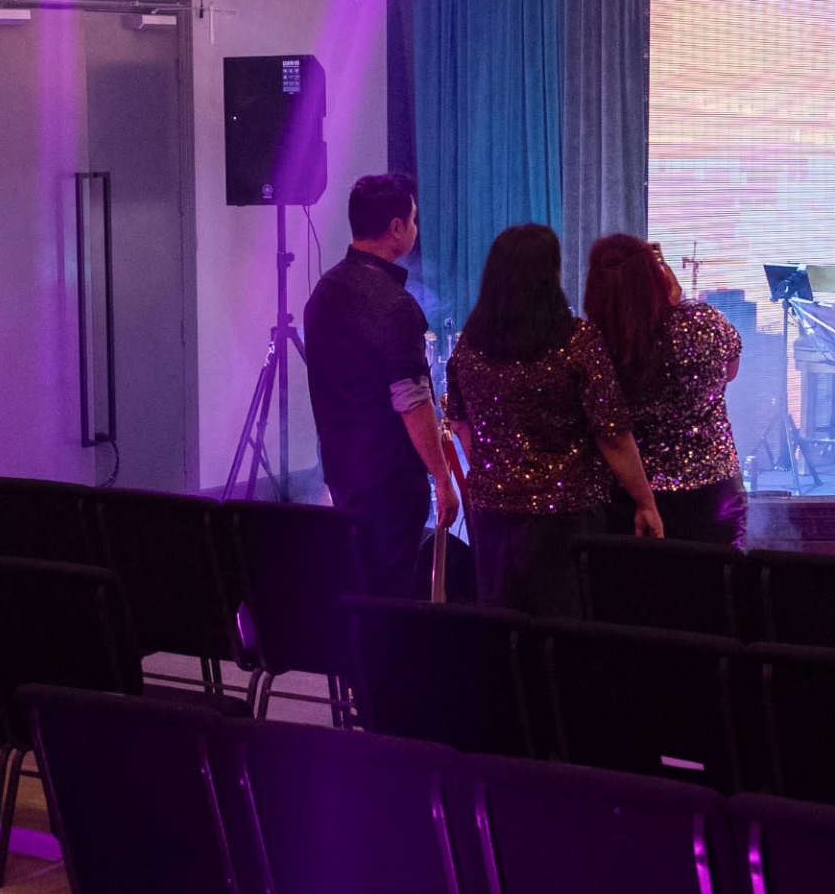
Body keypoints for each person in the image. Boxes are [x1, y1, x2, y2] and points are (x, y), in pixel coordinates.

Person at [445, 223, 661, 616]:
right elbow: (612, 435)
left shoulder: (469, 347)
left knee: (500, 628)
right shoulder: (578, 341)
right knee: (561, 634)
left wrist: (498, 471)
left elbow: (460, 424)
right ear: (550, 275)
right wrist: (645, 501)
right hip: (567, 518)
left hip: (492, 514)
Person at [301, 172, 463, 598]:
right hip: (390, 479)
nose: (415, 228)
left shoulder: (323, 292)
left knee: (360, 585)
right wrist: (442, 477)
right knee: (392, 594)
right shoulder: (394, 305)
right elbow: (411, 399)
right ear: (395, 228)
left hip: (342, 469)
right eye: (413, 219)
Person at [585, 234, 747, 545]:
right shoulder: (705, 322)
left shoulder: (594, 345)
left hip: (629, 497)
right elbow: (730, 372)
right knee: (717, 576)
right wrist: (674, 305)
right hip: (714, 495)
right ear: (656, 277)